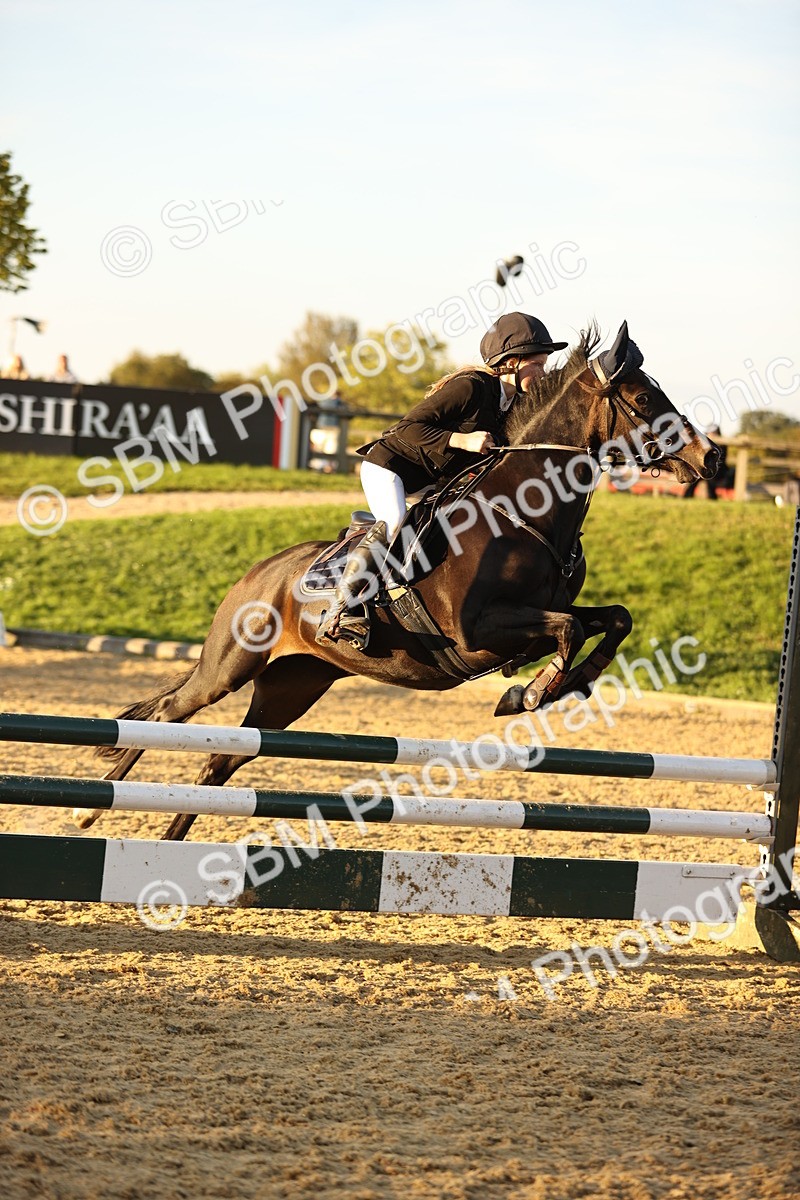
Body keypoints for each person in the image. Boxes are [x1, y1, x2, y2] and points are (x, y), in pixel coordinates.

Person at [316, 312, 568, 646]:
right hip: (392, 467)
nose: (543, 372)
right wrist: (461, 440)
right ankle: (339, 610)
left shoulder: (512, 406)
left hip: (432, 484)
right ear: (510, 362)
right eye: (538, 363)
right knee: (392, 522)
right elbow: (404, 428)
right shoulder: (472, 387)